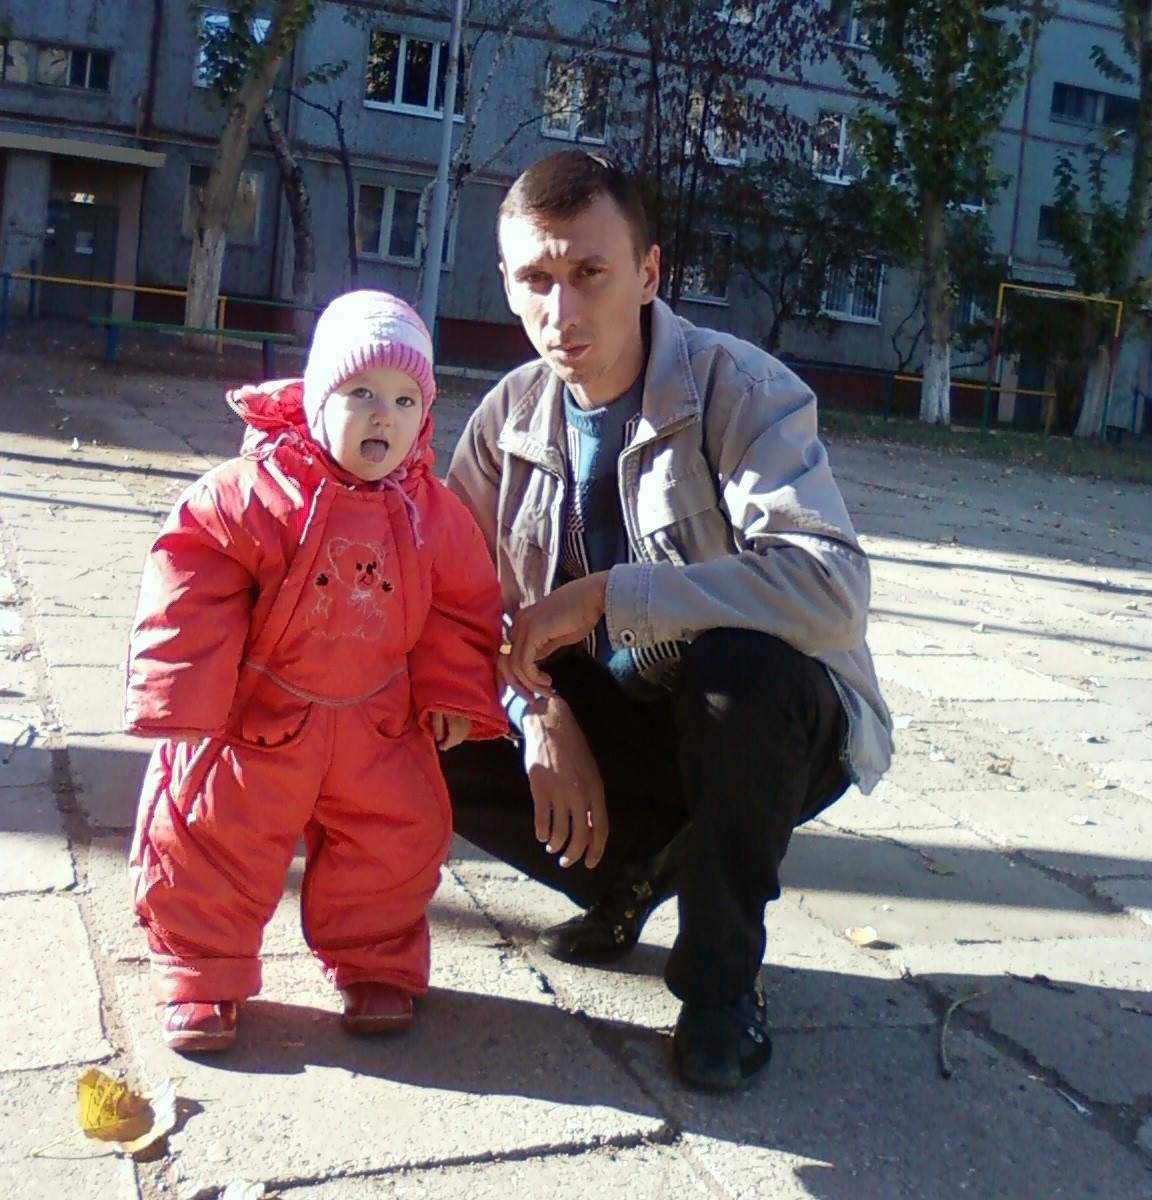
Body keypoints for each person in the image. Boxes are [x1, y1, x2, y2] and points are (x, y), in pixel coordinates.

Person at [442, 151, 893, 1092]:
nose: (562, 312)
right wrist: (534, 713)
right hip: (611, 718)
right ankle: (627, 878)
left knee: (741, 672)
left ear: (648, 273)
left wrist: (609, 595)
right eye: (536, 280)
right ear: (507, 284)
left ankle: (721, 988)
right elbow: (444, 611)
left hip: (755, 726)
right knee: (418, 710)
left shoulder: (741, 390)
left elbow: (831, 588)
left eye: (590, 273)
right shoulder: (505, 422)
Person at [125, 290, 507, 1054]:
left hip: (377, 722)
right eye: (360, 393)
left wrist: (454, 690)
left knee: (393, 842)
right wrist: (184, 689)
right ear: (316, 399)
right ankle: (202, 971)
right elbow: (193, 574)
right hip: (259, 716)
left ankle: (376, 962)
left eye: (404, 400)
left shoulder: (432, 514)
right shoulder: (258, 492)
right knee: (211, 835)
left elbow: (460, 606)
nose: (382, 416)